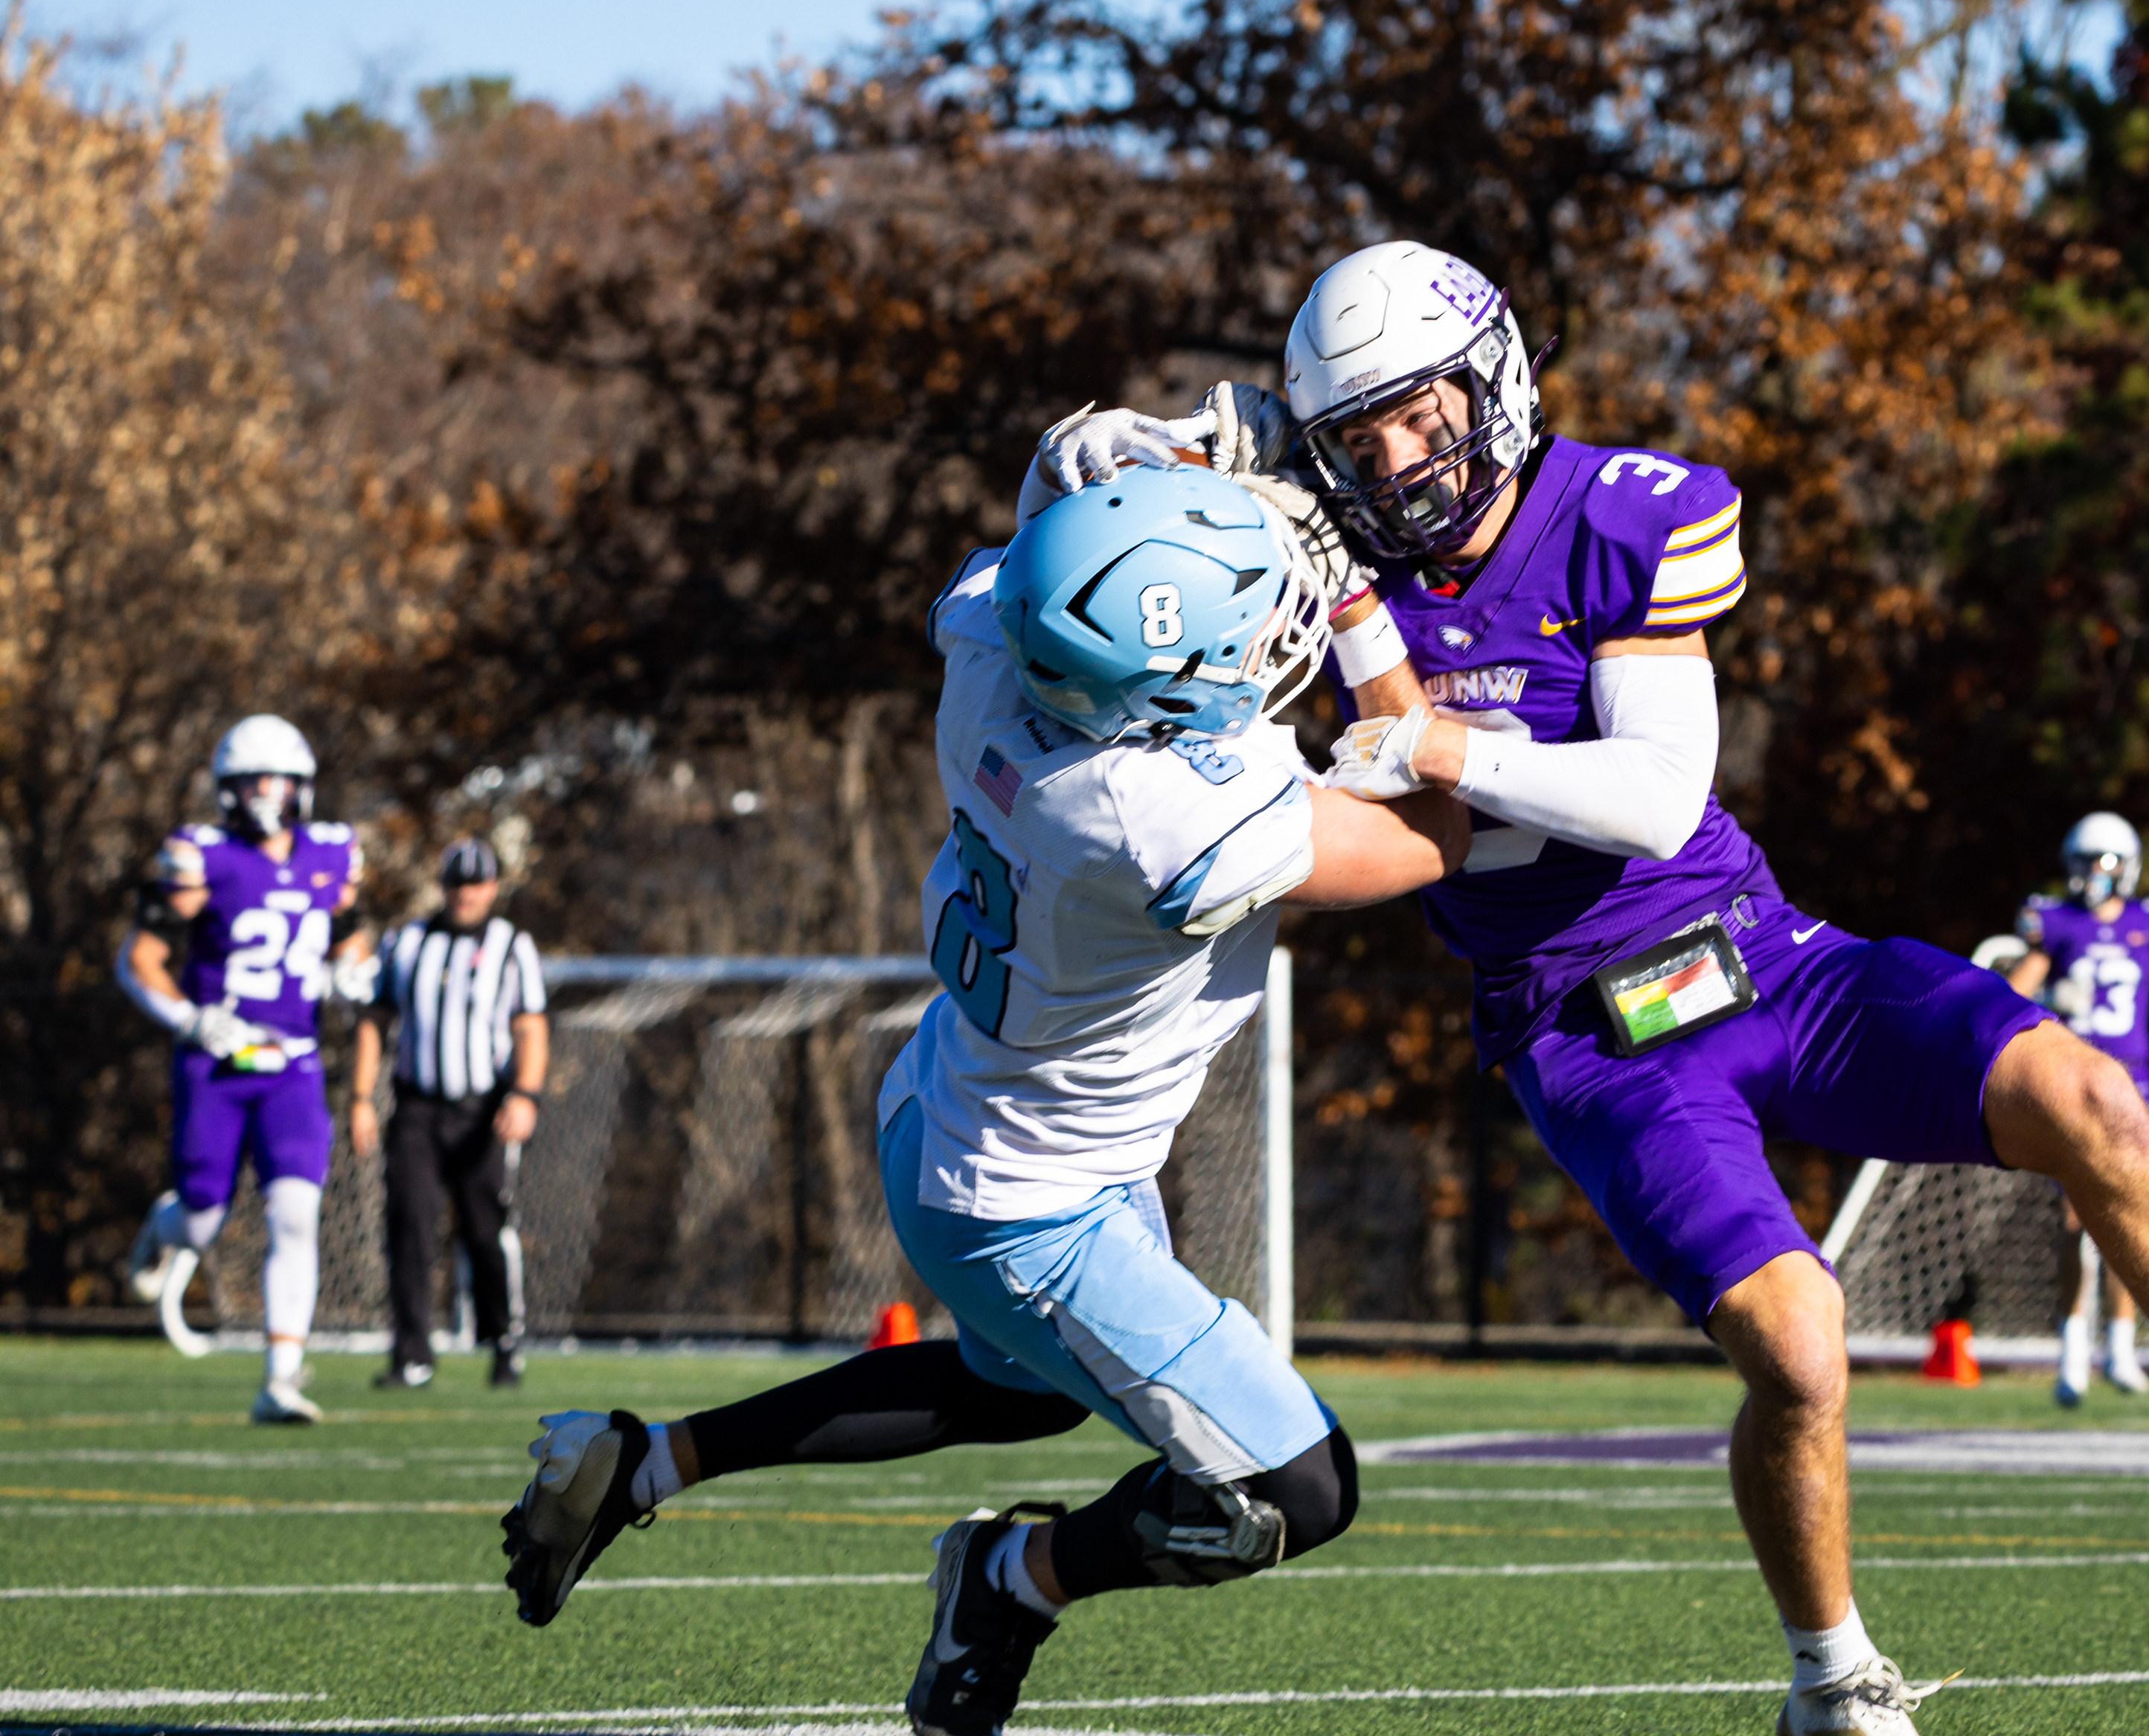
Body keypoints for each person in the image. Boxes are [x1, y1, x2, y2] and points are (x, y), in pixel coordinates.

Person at [1044, 242, 2149, 1736]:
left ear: (1493, 383)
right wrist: (1099, 463)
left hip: (1761, 953)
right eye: (1362, 441)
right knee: (1801, 1345)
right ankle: (1833, 1676)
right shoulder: (1308, 567)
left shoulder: (1613, 514)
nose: (1402, 462)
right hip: (1590, 1035)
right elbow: (1118, 570)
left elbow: (1658, 798)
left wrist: (1435, 743)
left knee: (2087, 1092)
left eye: (1423, 415)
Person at [502, 465, 1467, 1736]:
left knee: (1022, 1390)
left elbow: (1048, 517)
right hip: (1035, 1208)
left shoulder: (996, 662)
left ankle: (646, 1463)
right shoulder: (1159, 821)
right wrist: (1354, 610)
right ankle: (1014, 1579)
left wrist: (1141, 456)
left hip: (955, 1118)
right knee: (1297, 1485)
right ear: (1160, 690)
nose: (1267, 638)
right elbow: (1438, 827)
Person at [115, 716, 370, 1423]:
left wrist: (350, 971)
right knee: (203, 1221)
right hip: (218, 1061)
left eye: (276, 779)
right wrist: (189, 1018)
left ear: (301, 785)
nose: (265, 792)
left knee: (296, 1213)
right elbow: (137, 961)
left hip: (293, 1063)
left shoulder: (332, 853)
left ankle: (281, 1379)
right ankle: (165, 1227)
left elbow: (351, 935)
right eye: (251, 780)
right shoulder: (202, 858)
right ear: (227, 788)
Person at [2007, 812, 2149, 1404]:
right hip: (2071, 1079)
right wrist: (2047, 996)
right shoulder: (2057, 922)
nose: (2093, 873)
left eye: (2104, 861)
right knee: (2074, 1223)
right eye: (2084, 862)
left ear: (2128, 867)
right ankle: (2072, 1350)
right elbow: (2009, 994)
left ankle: (2120, 1346)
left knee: (2129, 1215)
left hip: (2131, 1082)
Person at [350, 837, 548, 1389]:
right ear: (444, 887)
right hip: (417, 1108)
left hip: (482, 1111)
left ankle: (504, 1342)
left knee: (485, 1231)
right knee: (409, 1226)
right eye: (458, 884)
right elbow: (375, 1019)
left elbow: (530, 1026)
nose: (466, 895)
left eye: (477, 884)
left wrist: (526, 1095)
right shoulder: (407, 942)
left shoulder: (511, 946)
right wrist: (361, 1098)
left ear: (493, 888)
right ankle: (411, 1354)